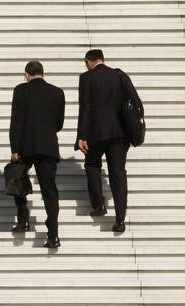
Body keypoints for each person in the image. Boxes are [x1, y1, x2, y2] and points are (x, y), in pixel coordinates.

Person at [75, 49, 143, 233]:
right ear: (103, 59)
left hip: (96, 133)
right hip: (119, 134)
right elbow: (136, 101)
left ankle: (98, 204)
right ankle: (120, 219)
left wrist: (81, 136)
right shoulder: (119, 75)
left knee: (91, 165)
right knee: (118, 175)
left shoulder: (86, 78)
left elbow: (85, 108)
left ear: (88, 61)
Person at [9, 60, 66, 248]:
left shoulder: (20, 90)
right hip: (48, 147)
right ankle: (53, 235)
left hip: (26, 146)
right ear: (43, 73)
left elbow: (16, 122)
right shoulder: (57, 92)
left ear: (26, 74)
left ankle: (23, 219)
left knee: (16, 178)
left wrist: (14, 149)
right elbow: (59, 123)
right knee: (49, 190)